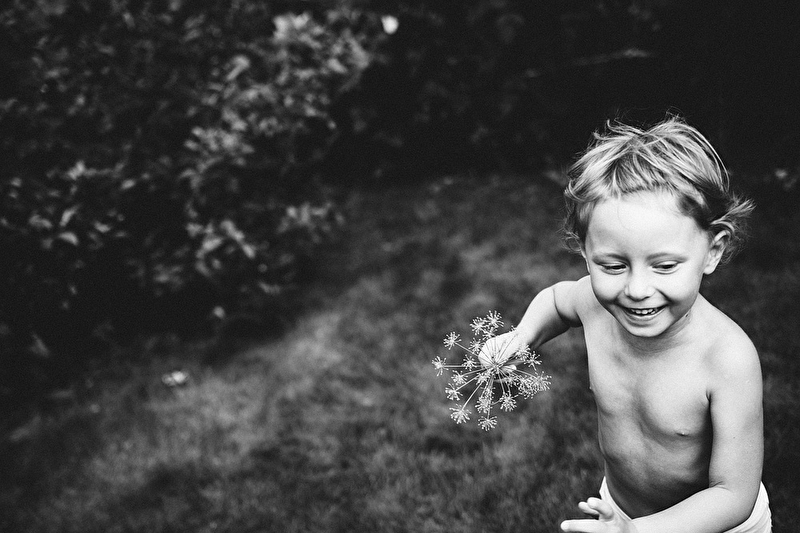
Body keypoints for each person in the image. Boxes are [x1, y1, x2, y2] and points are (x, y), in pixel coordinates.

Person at [479, 117, 772, 532]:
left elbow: (733, 494)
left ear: (712, 251)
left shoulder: (727, 359)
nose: (636, 290)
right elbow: (558, 301)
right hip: (621, 512)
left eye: (664, 266)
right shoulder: (594, 304)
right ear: (585, 252)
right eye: (613, 266)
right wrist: (522, 337)